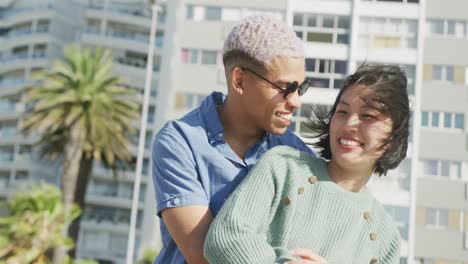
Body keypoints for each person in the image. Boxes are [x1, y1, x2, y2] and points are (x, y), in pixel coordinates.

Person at [204, 64, 410, 264]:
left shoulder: (385, 238)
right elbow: (225, 238)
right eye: (342, 112)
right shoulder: (284, 167)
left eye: (368, 116)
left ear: (391, 141)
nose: (349, 125)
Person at [152, 15, 316, 264]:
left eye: (300, 88)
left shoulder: (299, 155)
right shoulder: (179, 142)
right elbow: (205, 253)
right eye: (285, 88)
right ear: (239, 80)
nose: (295, 101)